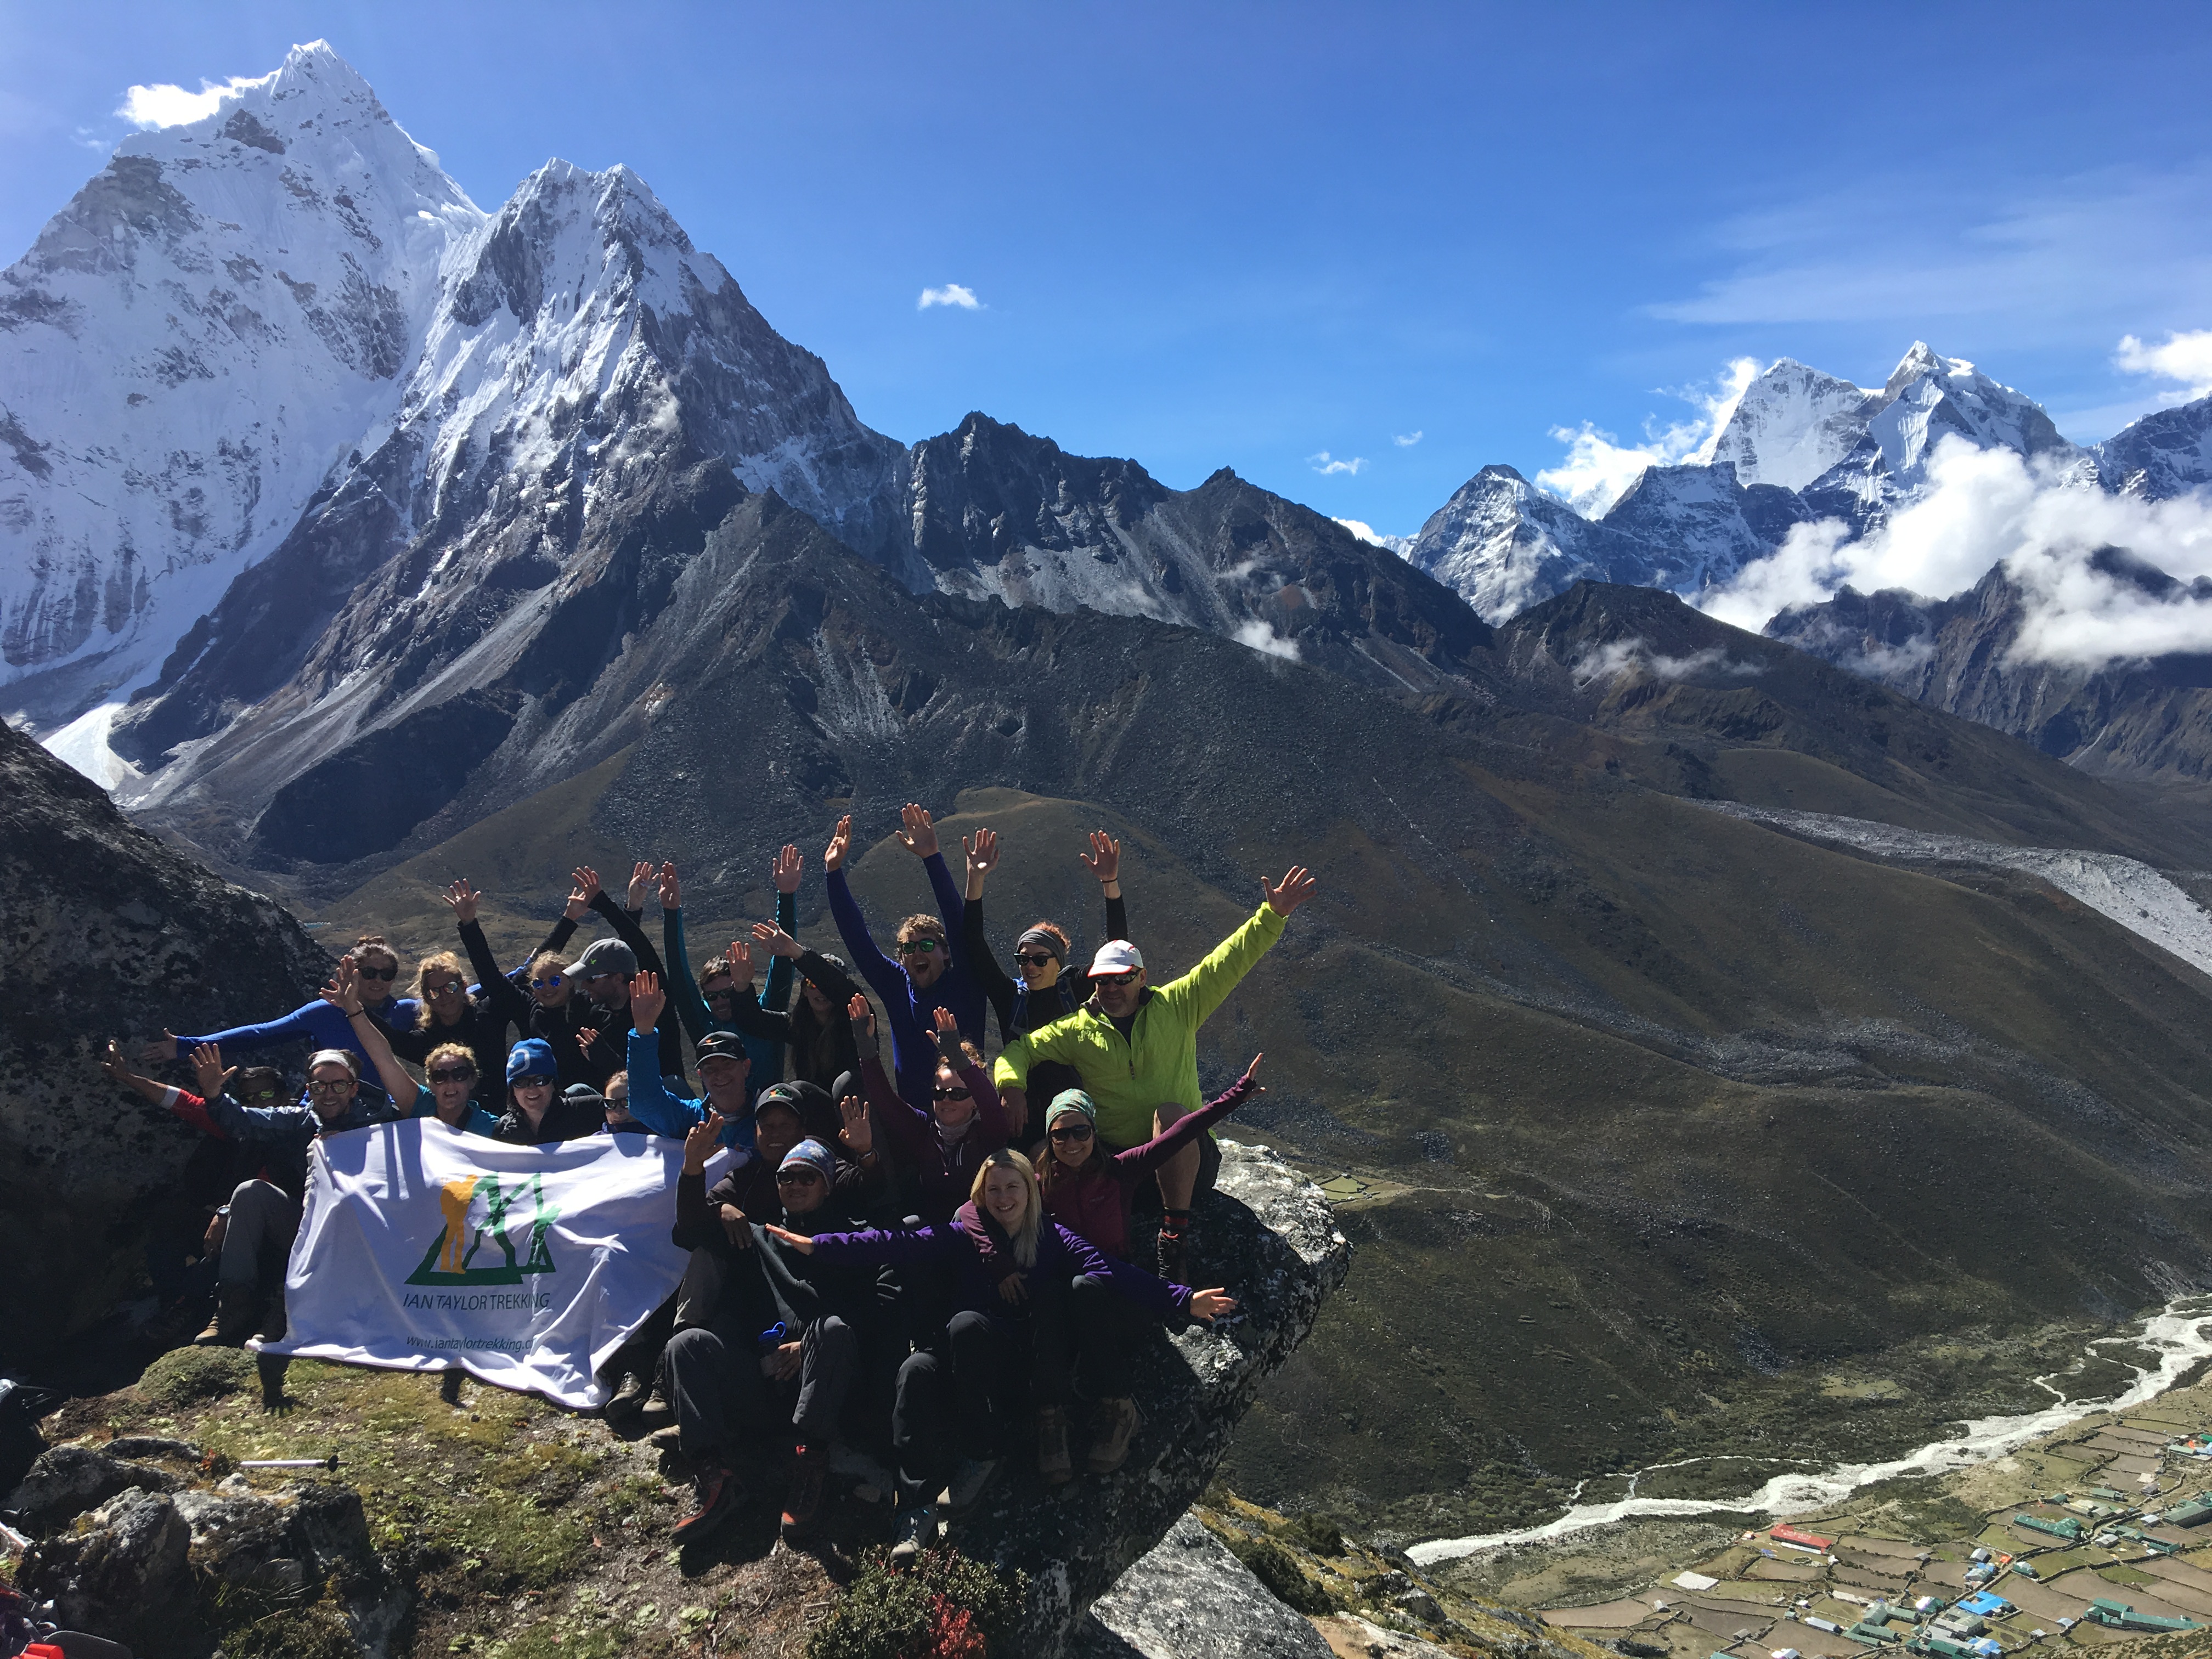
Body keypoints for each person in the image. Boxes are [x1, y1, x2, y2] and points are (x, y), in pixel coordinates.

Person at [768, 1148, 1235, 1562]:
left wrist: (1181, 1299)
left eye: (1014, 1187)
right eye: (994, 1189)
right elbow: (900, 1244)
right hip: (961, 1354)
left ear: (1031, 1190)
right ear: (981, 1194)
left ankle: (983, 1453)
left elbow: (1111, 1271)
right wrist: (821, 1246)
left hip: (1017, 1367)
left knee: (968, 1324)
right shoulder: (964, 1235)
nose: (1004, 1197)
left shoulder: (1053, 1239)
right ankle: (914, 1510)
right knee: (914, 1373)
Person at [992, 865, 1316, 1278]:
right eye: (1101, 981)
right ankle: (1041, 1256)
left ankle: (1174, 1239)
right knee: (1043, 1149)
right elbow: (1020, 1050)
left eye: (1121, 979)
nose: (1110, 989)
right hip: (1121, 1170)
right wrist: (1010, 1085)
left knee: (1170, 1116)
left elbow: (1229, 961)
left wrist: (1272, 916)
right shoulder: (1077, 1030)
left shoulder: (1178, 1005)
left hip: (1186, 1166)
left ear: (1142, 977)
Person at [664, 1119, 879, 1543]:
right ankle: (717, 1477)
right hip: (758, 1386)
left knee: (833, 1331)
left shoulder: (853, 1242)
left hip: (817, 1390)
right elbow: (689, 1229)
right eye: (786, 1176)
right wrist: (693, 1170)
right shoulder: (755, 1236)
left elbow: (872, 1314)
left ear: (828, 1186)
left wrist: (809, 1347)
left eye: (807, 1177)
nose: (795, 1185)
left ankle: (810, 1462)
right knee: (686, 1345)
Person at [183, 1009, 400, 1346]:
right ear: (309, 1088)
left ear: (354, 1088)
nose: (328, 1094)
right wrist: (214, 1094)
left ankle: (287, 1310)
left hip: (363, 1233)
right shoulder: (299, 1119)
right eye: (318, 1086)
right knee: (250, 1192)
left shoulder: (384, 1122)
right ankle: (232, 1306)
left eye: (338, 1085)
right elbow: (244, 1120)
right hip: (303, 1225)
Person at [961, 826, 1128, 1137]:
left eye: (1040, 960)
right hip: (1022, 1117)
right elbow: (973, 942)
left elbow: (1117, 951)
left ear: (1057, 963)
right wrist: (976, 879)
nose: (1030, 967)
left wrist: (1110, 883)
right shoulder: (1009, 996)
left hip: (1074, 1112)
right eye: (1023, 959)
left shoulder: (1075, 987)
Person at [822, 806, 986, 1111]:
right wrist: (833, 873)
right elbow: (857, 939)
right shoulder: (896, 985)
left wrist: (932, 858)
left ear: (946, 952)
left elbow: (958, 922)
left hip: (969, 1115)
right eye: (908, 949)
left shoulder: (966, 981)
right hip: (916, 1127)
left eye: (927, 944)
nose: (918, 953)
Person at [1035, 1058, 1263, 1261]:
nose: (1072, 1143)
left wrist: (1235, 1096)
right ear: (1050, 1139)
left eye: (1081, 1132)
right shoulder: (1037, 1184)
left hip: (1115, 1277)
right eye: (1061, 1135)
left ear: (1094, 1134)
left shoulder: (1120, 1170)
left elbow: (1181, 1133)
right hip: (1061, 1277)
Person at [137, 935, 409, 1092]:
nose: (378, 981)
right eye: (370, 973)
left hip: (385, 1111)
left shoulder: (405, 1013)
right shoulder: (324, 1013)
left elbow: (451, 1018)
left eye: (387, 974)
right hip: (328, 1111)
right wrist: (186, 1046)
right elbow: (260, 1035)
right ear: (353, 974)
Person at [854, 1000, 1008, 1224]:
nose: (946, 1100)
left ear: (975, 1100)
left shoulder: (990, 1132)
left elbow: (990, 1103)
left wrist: (958, 1057)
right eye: (940, 1093)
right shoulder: (925, 1130)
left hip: (981, 1234)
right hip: (933, 1234)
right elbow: (886, 1102)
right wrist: (866, 1049)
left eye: (957, 1094)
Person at [657, 853, 805, 1085]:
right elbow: (679, 977)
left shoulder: (765, 1015)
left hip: (769, 1115)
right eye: (713, 996)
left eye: (728, 993)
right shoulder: (703, 1024)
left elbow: (783, 967)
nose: (721, 1002)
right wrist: (672, 913)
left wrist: (786, 896)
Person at [332, 956, 503, 1138]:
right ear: (428, 1082)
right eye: (440, 1076)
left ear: (473, 1080)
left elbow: (500, 983)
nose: (450, 1083)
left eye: (460, 1074)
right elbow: (383, 1055)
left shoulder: (495, 1129)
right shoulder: (421, 1105)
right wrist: (353, 1008)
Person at [699, 917, 865, 1095]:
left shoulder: (859, 1021)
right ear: (804, 990)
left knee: (846, 1081)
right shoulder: (797, 1025)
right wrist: (741, 987)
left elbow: (843, 990)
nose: (822, 992)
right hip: (817, 1113)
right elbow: (751, 1021)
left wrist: (796, 952)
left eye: (828, 988)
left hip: (858, 1111)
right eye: (812, 984)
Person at [620, 973, 759, 1153]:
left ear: (745, 1067)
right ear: (701, 1076)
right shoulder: (689, 1118)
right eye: (710, 1069)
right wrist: (644, 1030)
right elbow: (645, 1105)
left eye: (727, 1065)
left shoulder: (765, 1118)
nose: (719, 1074)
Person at [492, 1037, 605, 1144]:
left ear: (553, 1083)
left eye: (540, 1080)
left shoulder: (588, 1112)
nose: (532, 1088)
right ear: (512, 1088)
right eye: (521, 1082)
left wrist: (609, 1063)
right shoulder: (503, 1130)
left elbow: (621, 1105)